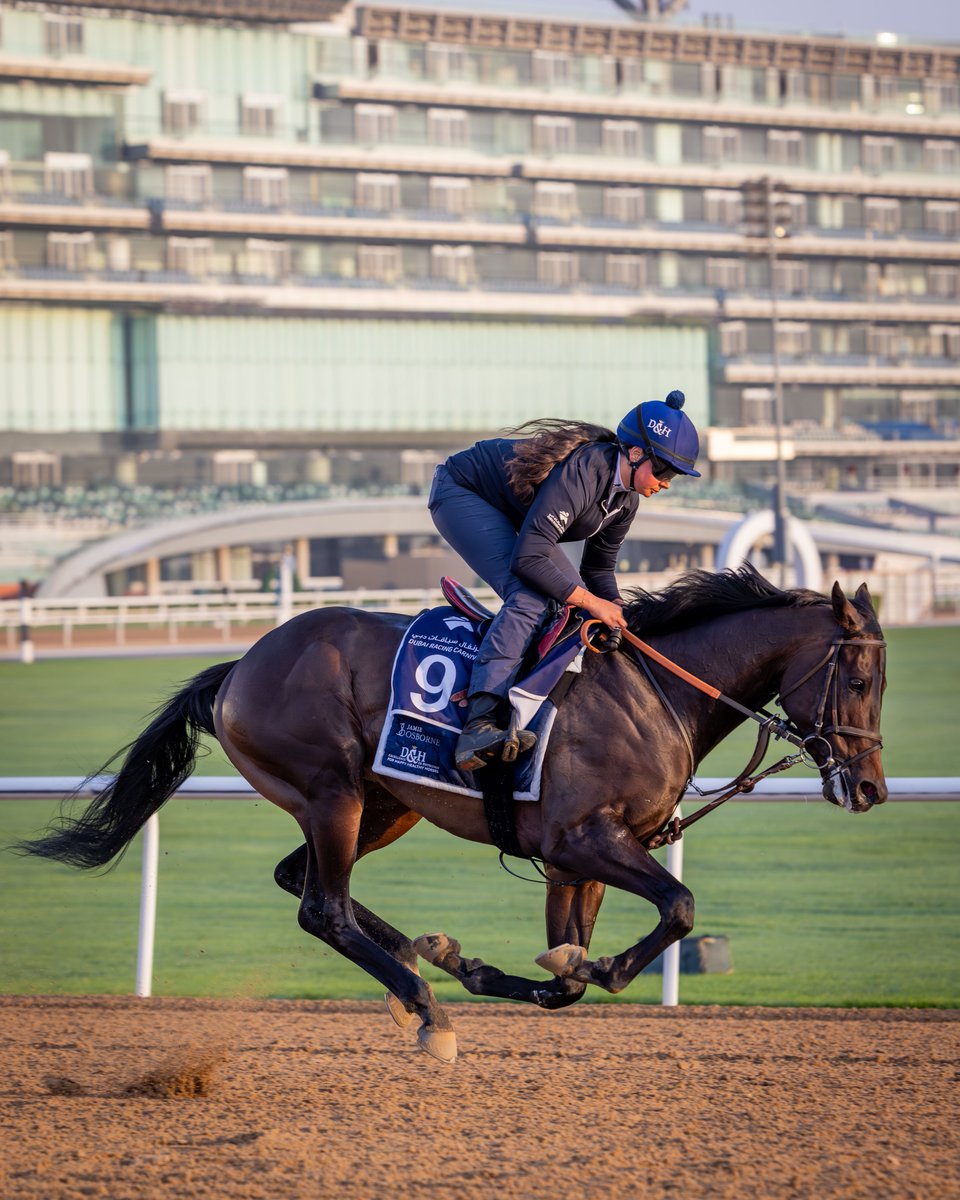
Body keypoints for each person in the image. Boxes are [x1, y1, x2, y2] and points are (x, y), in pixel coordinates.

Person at [428, 388, 701, 771]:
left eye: (675, 475)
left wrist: (617, 609)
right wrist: (591, 601)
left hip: (516, 518)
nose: (668, 482)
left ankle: (531, 704)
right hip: (463, 492)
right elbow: (528, 560)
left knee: (572, 600)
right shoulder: (588, 469)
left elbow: (599, 570)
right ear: (636, 453)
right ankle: (480, 721)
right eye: (665, 471)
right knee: (532, 595)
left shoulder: (627, 500)